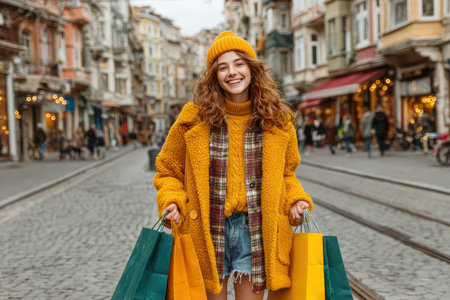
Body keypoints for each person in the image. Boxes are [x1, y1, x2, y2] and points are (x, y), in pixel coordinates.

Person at [153, 31, 313, 300]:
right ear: (214, 75)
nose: (232, 72)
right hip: (206, 228)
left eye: (239, 63)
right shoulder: (194, 117)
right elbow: (168, 169)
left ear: (252, 68)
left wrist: (296, 200)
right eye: (222, 67)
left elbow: (287, 174)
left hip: (256, 229)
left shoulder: (277, 119)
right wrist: (172, 200)